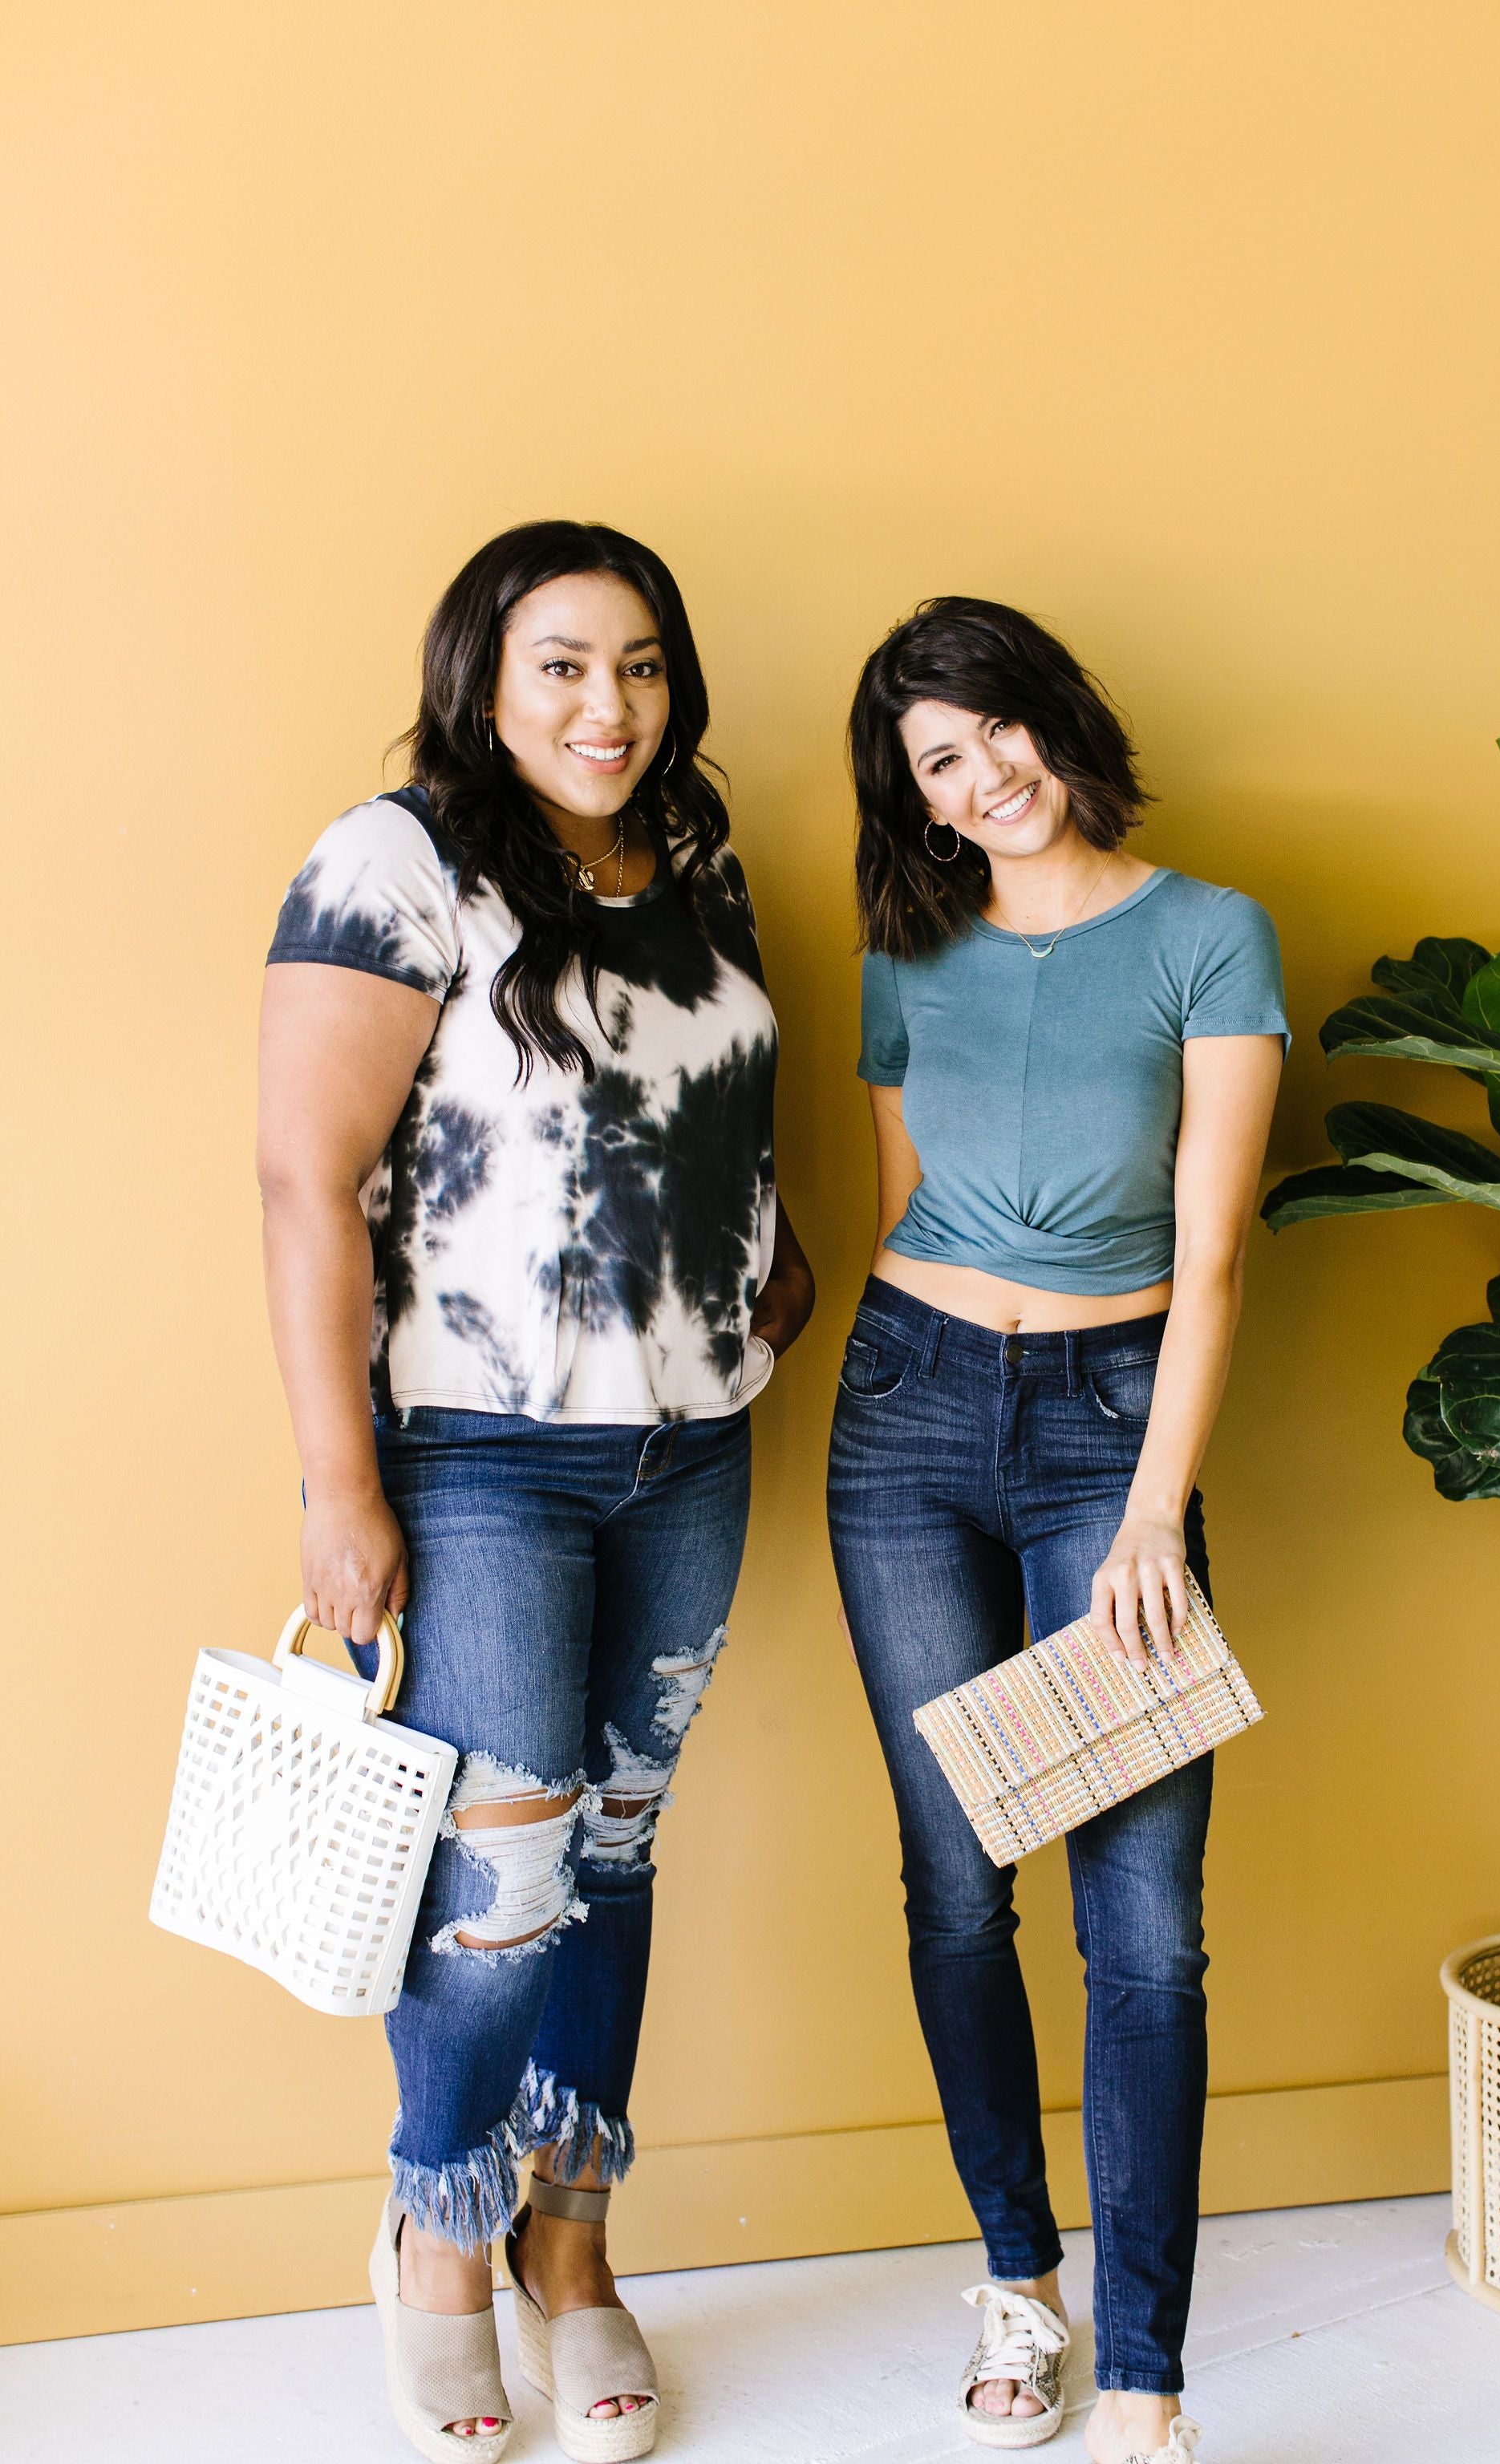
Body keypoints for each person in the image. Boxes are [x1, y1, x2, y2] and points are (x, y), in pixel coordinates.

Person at [257, 520, 813, 2462]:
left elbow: (706, 1094)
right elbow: (303, 1183)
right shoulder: (397, 861)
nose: (611, 703)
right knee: (497, 1889)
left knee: (613, 1861)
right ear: (485, 675)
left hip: (690, 1446)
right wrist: (343, 1485)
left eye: (644, 664)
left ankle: (572, 2249)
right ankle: (439, 2233)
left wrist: (769, 1251)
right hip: (479, 1452)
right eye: (565, 663)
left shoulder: (700, 863)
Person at [827, 598, 1285, 2463]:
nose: (984, 773)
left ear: (1055, 723)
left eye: (996, 727)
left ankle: (1152, 2377)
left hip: (1115, 1429)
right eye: (939, 760)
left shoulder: (1206, 935)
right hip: (909, 1416)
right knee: (955, 1885)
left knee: (1145, 1928)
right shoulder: (907, 951)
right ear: (919, 804)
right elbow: (903, 1206)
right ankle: (1020, 2291)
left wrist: (1153, 1510)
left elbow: (1215, 1253)